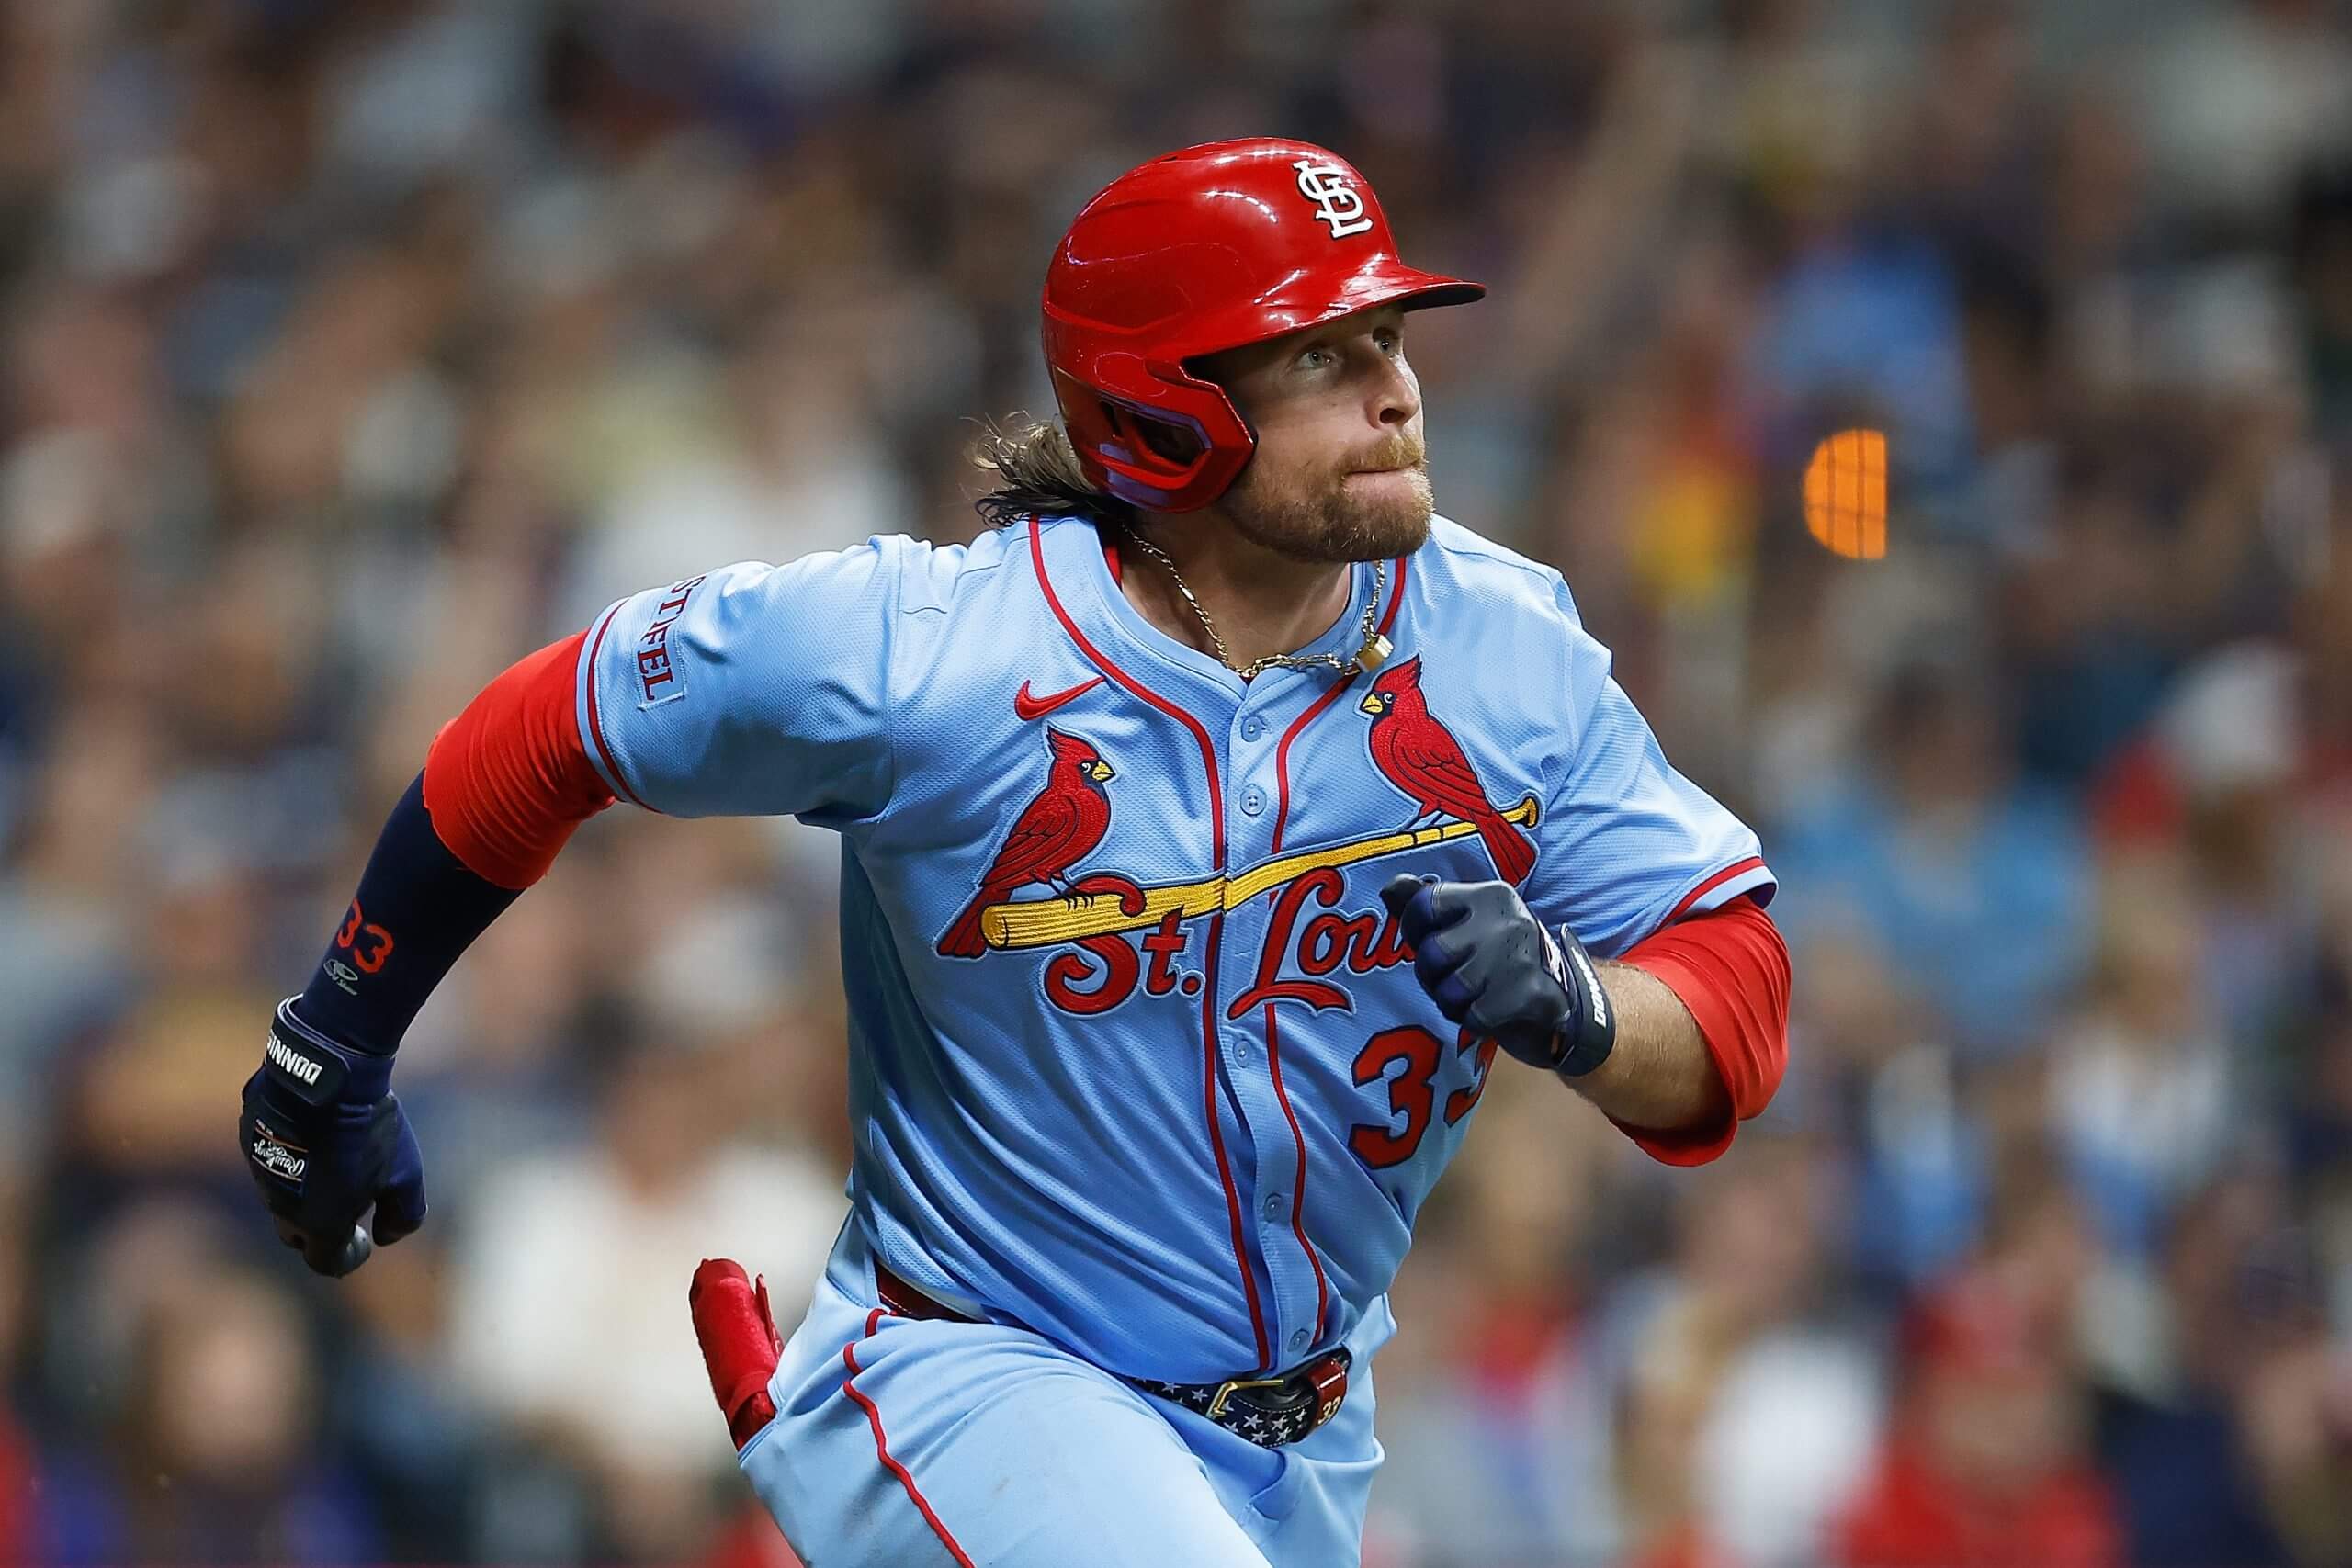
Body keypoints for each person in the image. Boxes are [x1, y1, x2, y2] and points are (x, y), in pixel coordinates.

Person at [236, 139, 1793, 1566]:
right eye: (1323, 355)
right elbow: (549, 724)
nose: (1395, 391)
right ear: (1170, 407)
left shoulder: (1503, 646)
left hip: (1307, 1429)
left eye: (1390, 339)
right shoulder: (932, 654)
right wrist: (338, 1041)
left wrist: (1588, 1012)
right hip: (975, 1372)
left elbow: (1735, 994)